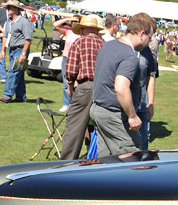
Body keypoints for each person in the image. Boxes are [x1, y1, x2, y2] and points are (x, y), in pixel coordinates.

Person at [89, 12, 156, 155]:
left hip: (98, 110)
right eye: (149, 38)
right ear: (142, 34)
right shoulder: (129, 56)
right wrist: (132, 116)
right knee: (132, 160)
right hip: (115, 115)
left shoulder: (108, 46)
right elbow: (121, 87)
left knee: (107, 162)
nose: (148, 42)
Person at [60, 15, 105, 160]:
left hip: (86, 87)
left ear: (83, 29)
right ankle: (96, 157)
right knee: (100, 126)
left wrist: (70, 86)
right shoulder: (104, 44)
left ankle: (66, 163)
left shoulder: (79, 43)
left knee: (74, 127)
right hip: (104, 89)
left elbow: (71, 70)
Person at [0, 0, 32, 103]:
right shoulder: (8, 22)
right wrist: (2, 50)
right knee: (19, 73)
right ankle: (21, 97)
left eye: (10, 7)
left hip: (20, 50)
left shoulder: (24, 22)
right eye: (7, 7)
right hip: (11, 50)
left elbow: (28, 39)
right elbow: (5, 36)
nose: (8, 9)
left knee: (13, 72)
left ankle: (7, 95)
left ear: (17, 9)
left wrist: (23, 54)